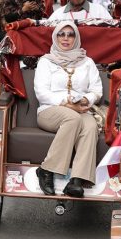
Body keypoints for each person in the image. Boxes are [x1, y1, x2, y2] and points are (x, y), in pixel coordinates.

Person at [33, 21, 103, 198]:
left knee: (91, 126)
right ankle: (46, 169)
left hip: (80, 109)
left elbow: (97, 89)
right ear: (55, 37)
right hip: (51, 110)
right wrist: (66, 102)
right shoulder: (46, 61)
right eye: (61, 34)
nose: (65, 38)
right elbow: (41, 93)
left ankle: (77, 180)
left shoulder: (87, 62)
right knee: (73, 118)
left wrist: (86, 99)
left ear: (76, 38)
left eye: (70, 34)